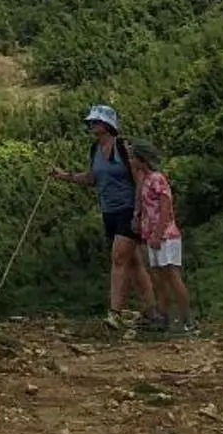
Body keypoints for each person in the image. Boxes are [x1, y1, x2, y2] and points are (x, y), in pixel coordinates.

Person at [49, 104, 152, 332]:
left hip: (128, 209)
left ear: (107, 124)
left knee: (118, 259)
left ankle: (114, 313)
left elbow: (140, 179)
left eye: (95, 122)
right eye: (91, 122)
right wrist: (64, 176)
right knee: (133, 262)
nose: (91, 125)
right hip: (109, 211)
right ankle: (151, 310)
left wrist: (138, 212)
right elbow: (93, 178)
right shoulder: (95, 149)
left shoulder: (123, 147)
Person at [127, 141, 195, 334]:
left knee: (172, 275)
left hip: (165, 235)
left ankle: (187, 318)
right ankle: (163, 316)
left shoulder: (157, 179)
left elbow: (166, 207)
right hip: (151, 234)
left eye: (133, 157)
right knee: (157, 277)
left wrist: (158, 233)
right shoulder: (145, 179)